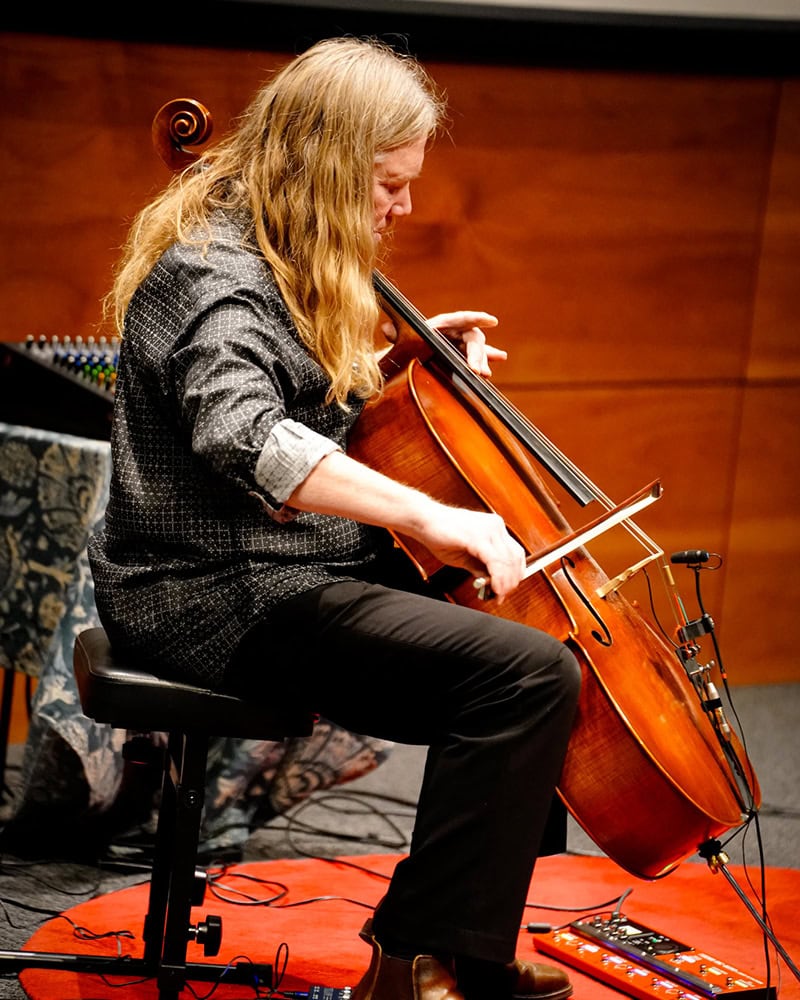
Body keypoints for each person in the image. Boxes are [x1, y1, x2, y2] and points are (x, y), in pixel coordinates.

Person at [88, 35, 582, 1000]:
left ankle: (459, 944)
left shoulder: (284, 254)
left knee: (530, 637)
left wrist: (408, 372)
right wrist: (437, 520)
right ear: (323, 170)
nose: (403, 207)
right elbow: (252, 440)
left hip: (289, 563)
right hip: (211, 590)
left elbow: (307, 407)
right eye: (386, 185)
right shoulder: (212, 275)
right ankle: (419, 957)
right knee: (523, 672)